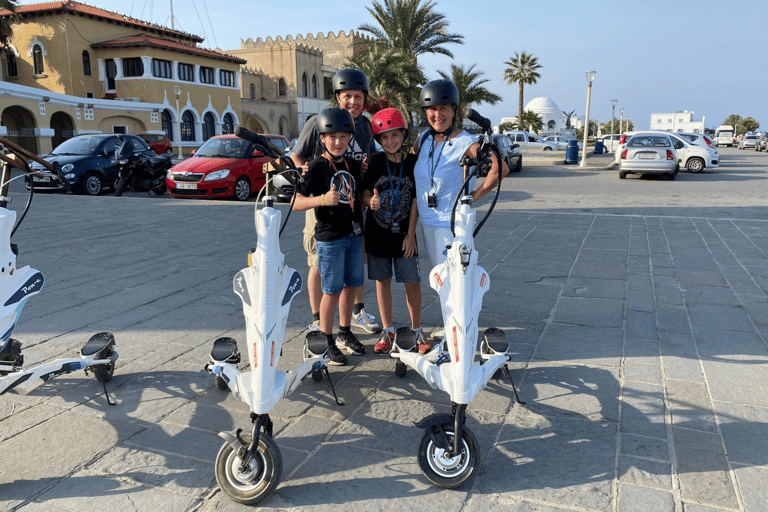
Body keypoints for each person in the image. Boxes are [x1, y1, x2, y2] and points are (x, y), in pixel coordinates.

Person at [412, 79, 508, 340]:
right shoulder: (424, 139)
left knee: (455, 284)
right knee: (444, 283)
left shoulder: (465, 141)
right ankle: (453, 330)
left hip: (450, 227)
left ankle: (457, 337)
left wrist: (471, 197)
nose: (437, 114)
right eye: (431, 109)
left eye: (443, 108)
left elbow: (500, 168)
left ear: (453, 111)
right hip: (428, 224)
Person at [291, 68, 381, 336]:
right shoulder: (319, 120)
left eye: (358, 96)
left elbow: (369, 159)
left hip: (353, 201)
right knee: (318, 261)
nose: (353, 102)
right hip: (322, 202)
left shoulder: (364, 126)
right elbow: (297, 156)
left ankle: (356, 312)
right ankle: (319, 319)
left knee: (355, 257)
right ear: (338, 98)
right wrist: (308, 174)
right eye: (347, 96)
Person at [293, 108, 366, 366]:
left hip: (354, 235)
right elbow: (295, 202)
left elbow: (360, 194)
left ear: (350, 139)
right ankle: (326, 339)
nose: (338, 142)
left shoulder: (353, 165)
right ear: (322, 138)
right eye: (332, 137)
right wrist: (322, 199)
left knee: (351, 286)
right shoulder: (315, 167)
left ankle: (345, 331)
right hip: (330, 239)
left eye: (343, 137)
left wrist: (372, 200)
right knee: (331, 290)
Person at [361, 108, 429, 355]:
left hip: (404, 236)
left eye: (395, 135)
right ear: (379, 140)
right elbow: (365, 193)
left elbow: (414, 201)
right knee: (382, 282)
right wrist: (371, 203)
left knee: (412, 281)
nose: (390, 141)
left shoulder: (413, 163)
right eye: (384, 137)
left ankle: (417, 330)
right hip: (377, 234)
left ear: (403, 134)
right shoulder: (374, 162)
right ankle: (388, 329)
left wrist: (411, 234)